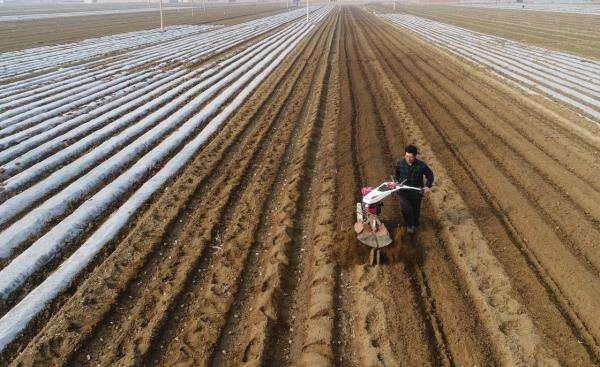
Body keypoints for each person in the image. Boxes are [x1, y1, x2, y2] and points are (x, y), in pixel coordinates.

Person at [395, 145, 434, 234]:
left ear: (415, 156)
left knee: (415, 211)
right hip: (403, 192)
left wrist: (428, 186)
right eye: (407, 156)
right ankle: (409, 225)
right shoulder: (400, 163)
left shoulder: (421, 165)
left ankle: (415, 223)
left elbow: (430, 175)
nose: (408, 159)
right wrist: (396, 182)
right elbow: (397, 175)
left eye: (411, 157)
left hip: (416, 192)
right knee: (405, 208)